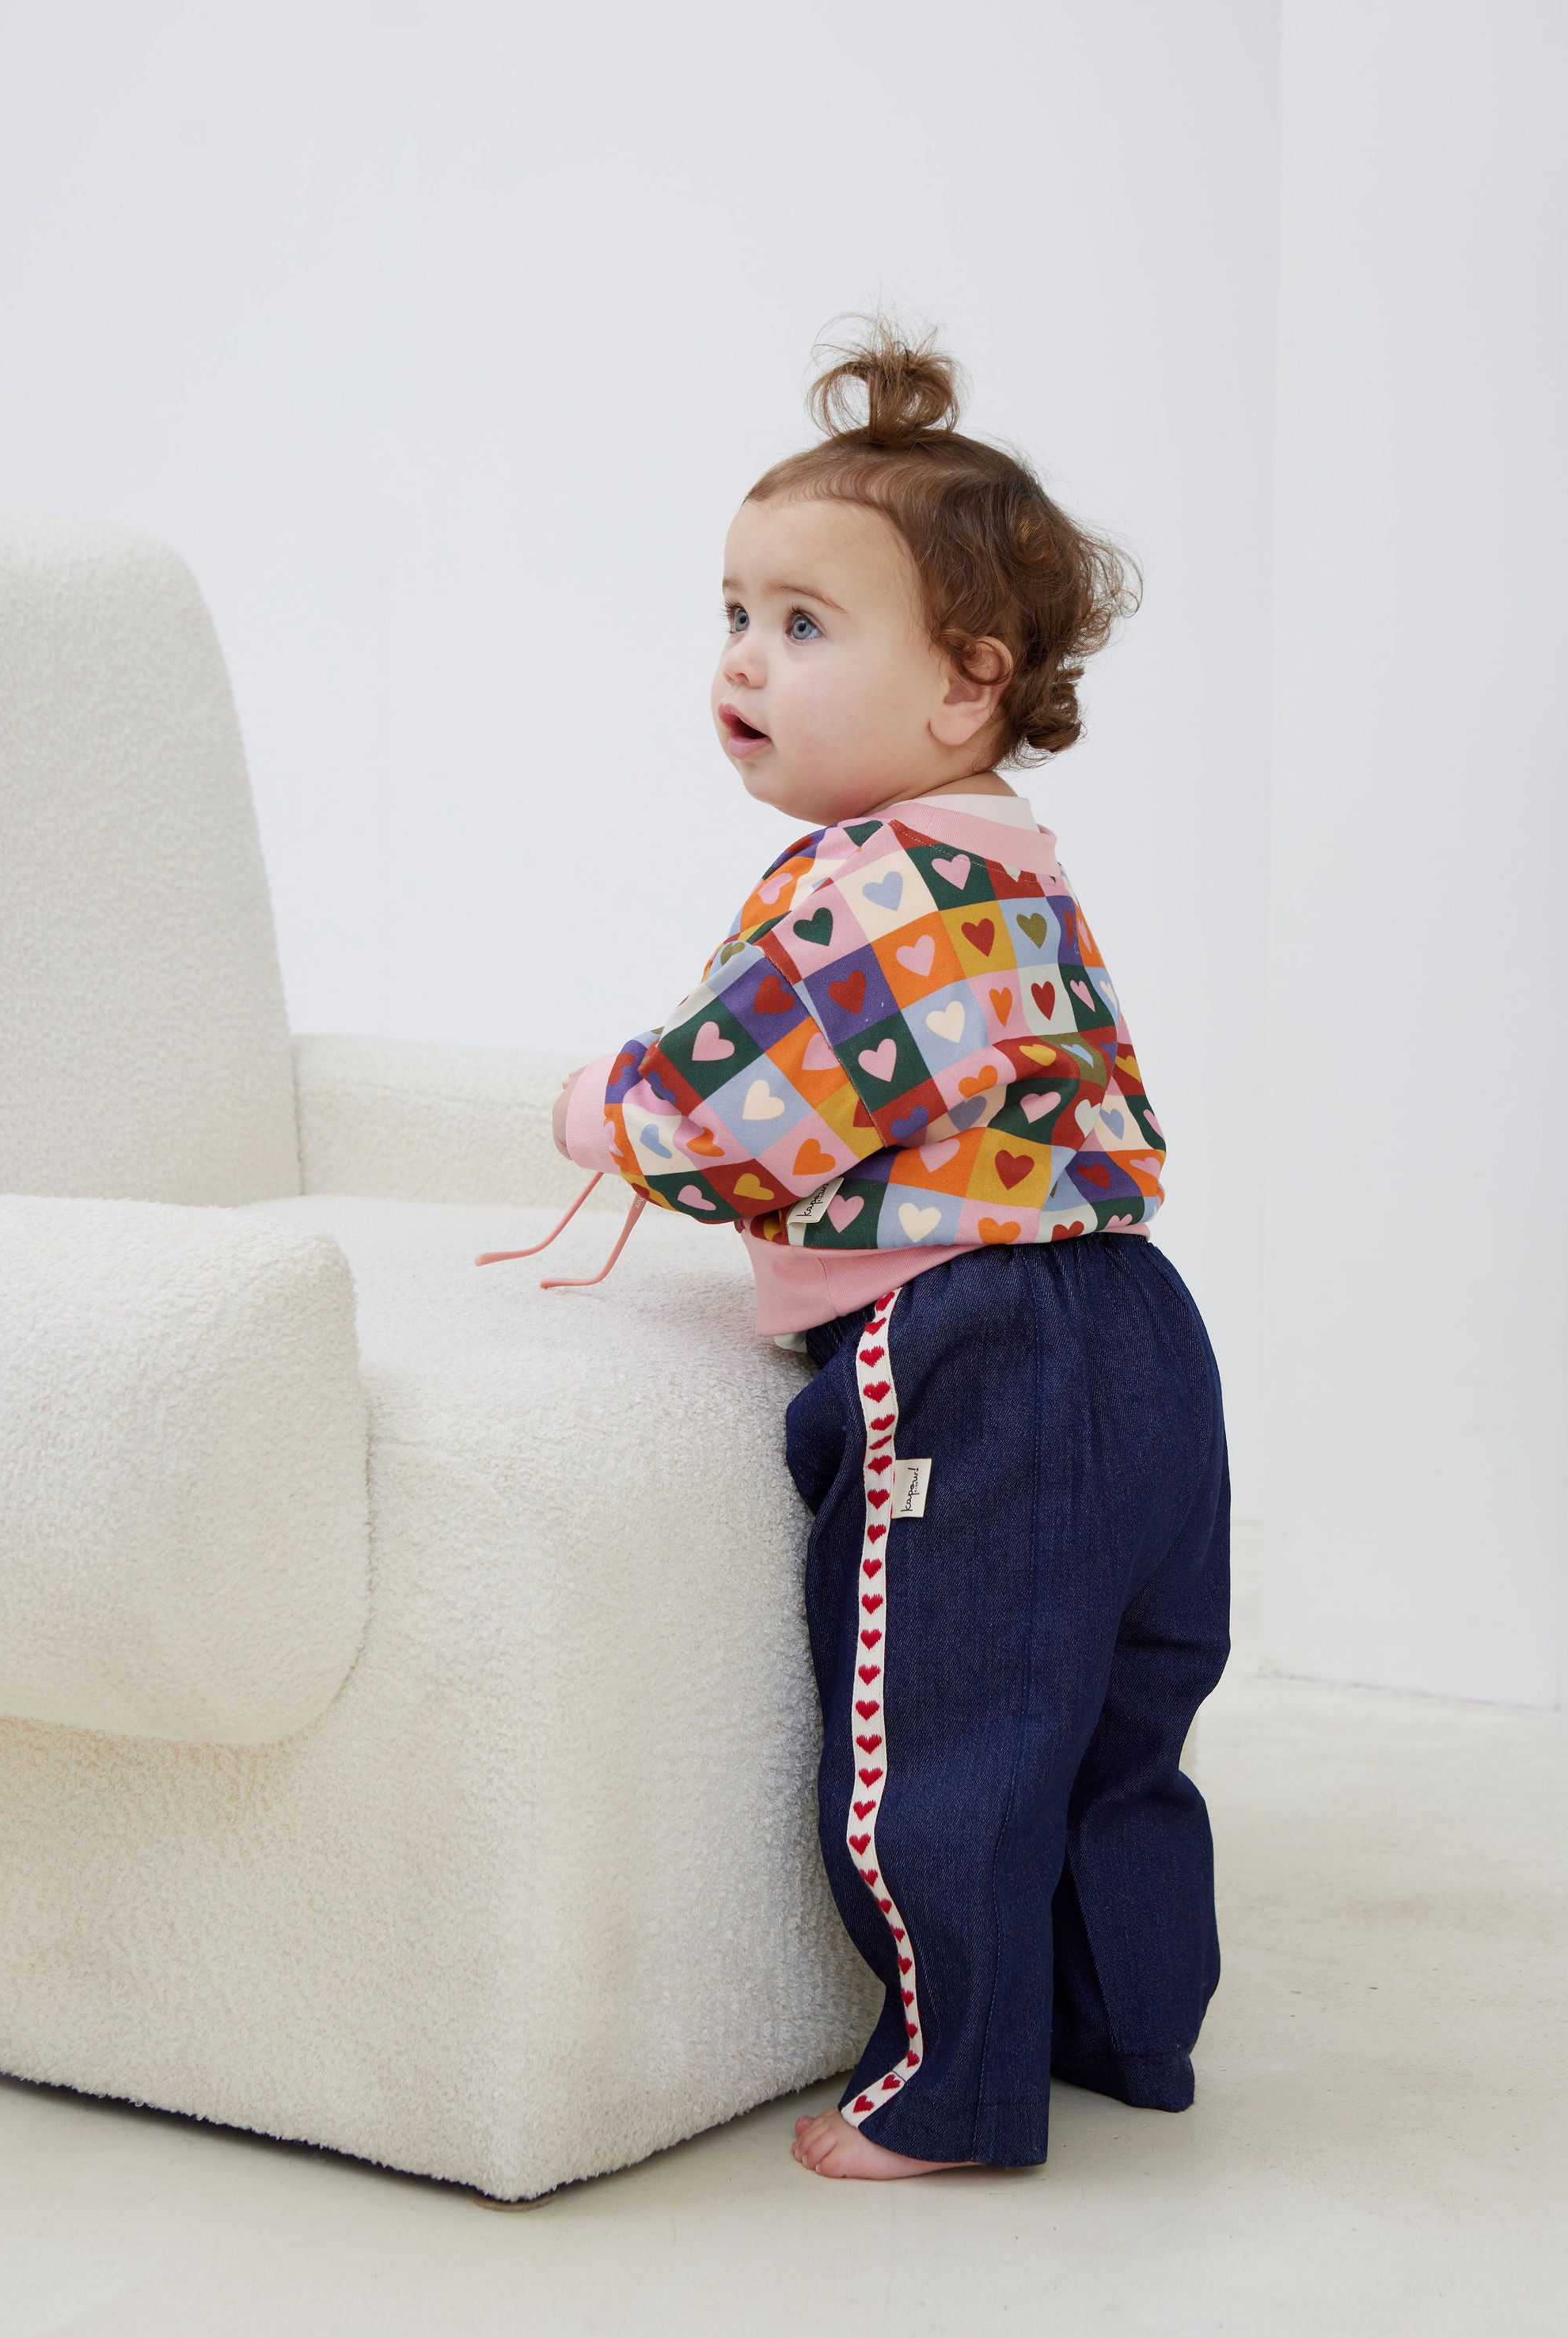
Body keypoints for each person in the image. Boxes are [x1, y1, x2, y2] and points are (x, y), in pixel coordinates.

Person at [537, 320, 1230, 2179]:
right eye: (734, 614)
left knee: (942, 1728)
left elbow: (724, 1116)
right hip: (1135, 1321)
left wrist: (597, 1105)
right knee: (1117, 1720)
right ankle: (1122, 2029)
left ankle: (947, 2088)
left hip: (975, 1347)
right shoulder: (1007, 859)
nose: (741, 660)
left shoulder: (879, 888)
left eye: (803, 624)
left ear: (965, 680)